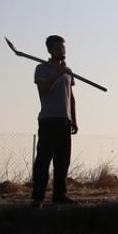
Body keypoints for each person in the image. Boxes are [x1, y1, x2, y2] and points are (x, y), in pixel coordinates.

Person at [31, 35, 76, 208]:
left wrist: (74, 119)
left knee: (63, 160)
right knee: (43, 160)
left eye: (63, 48)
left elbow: (71, 97)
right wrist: (58, 73)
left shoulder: (68, 71)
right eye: (58, 48)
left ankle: (60, 195)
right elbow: (43, 89)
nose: (62, 51)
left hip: (65, 121)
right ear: (50, 50)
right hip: (48, 120)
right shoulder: (42, 69)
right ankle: (38, 197)